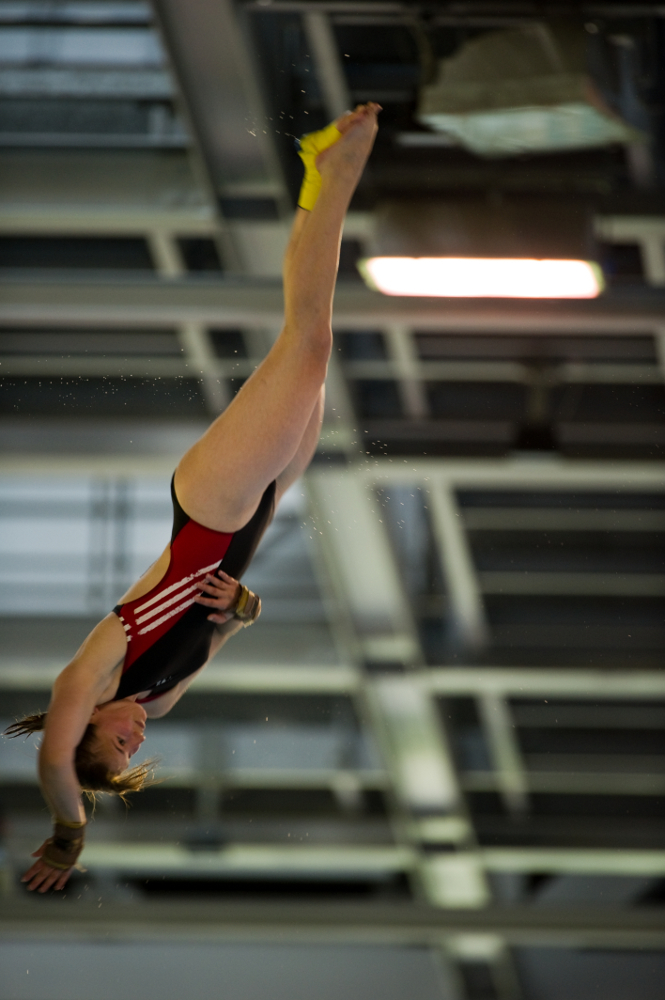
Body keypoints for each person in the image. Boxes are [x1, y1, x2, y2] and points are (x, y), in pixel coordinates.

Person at [5, 103, 381, 893]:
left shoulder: (92, 675)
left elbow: (49, 762)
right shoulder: (160, 698)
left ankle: (328, 175)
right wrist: (241, 610)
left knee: (304, 341)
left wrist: (69, 834)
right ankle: (328, 181)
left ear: (84, 731)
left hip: (210, 508)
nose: (134, 741)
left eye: (113, 747)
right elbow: (218, 631)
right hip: (259, 510)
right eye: (131, 754)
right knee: (315, 343)